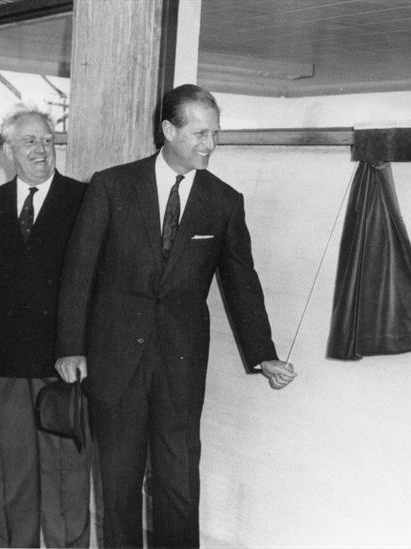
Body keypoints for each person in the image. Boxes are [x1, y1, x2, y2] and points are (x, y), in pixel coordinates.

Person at [55, 84, 297, 548]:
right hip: (115, 359)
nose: (210, 144)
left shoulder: (224, 201)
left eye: (216, 134)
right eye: (200, 133)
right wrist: (70, 346)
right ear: (168, 130)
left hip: (181, 365)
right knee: (119, 487)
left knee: (180, 485)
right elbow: (78, 271)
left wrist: (264, 354)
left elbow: (242, 282)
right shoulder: (111, 185)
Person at [0, 108, 90, 548]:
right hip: (7, 359)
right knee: (12, 465)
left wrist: (78, 347)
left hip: (62, 360)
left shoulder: (84, 199)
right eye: (29, 142)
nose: (41, 150)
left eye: (47, 140)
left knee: (65, 468)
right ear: (8, 150)